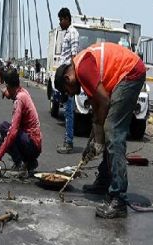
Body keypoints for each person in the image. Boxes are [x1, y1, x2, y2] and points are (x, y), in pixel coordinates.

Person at [55, 42, 146, 219]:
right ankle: (104, 181)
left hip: (130, 72)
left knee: (113, 132)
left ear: (68, 79)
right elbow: (97, 112)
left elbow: (104, 101)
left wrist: (99, 140)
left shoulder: (82, 68)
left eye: (68, 91)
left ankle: (118, 198)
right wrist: (95, 138)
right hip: (127, 72)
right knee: (107, 130)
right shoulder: (82, 69)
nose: (72, 94)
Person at [0, 68, 42, 175]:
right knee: (2, 140)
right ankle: (29, 162)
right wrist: (8, 93)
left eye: (7, 87)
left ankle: (21, 164)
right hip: (34, 143)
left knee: (4, 128)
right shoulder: (23, 92)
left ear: (9, 86)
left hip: (31, 143)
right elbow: (13, 94)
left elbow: (13, 131)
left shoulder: (19, 100)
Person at [56, 7, 79, 154]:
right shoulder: (67, 34)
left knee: (69, 111)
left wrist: (71, 79)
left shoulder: (73, 33)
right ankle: (67, 139)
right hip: (64, 77)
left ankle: (69, 142)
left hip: (68, 78)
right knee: (66, 110)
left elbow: (74, 57)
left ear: (66, 18)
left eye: (61, 20)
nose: (60, 23)